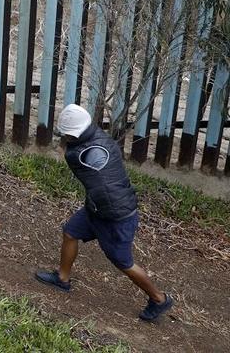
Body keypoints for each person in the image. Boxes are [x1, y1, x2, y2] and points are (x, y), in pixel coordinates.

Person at [35, 104, 174, 322]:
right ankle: (62, 278)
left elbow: (93, 172)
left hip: (115, 216)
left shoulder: (81, 154)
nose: (65, 139)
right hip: (98, 207)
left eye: (67, 135)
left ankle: (159, 298)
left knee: (123, 262)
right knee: (70, 232)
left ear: (74, 134)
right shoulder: (99, 136)